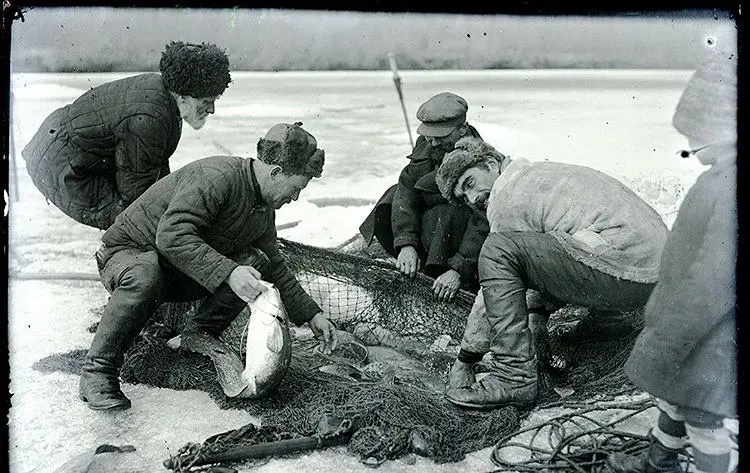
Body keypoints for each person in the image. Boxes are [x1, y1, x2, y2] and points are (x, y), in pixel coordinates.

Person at [79, 122, 339, 411]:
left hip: (173, 271)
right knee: (145, 274)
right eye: (297, 187)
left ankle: (198, 335)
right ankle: (97, 372)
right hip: (127, 255)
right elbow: (171, 235)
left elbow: (275, 266)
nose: (295, 197)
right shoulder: (216, 177)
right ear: (276, 172)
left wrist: (313, 315)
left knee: (257, 263)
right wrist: (228, 272)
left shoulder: (263, 208)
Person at [434, 137, 669, 408]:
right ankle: (608, 322)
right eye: (464, 198)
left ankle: (514, 378)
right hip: (655, 274)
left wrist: (468, 356)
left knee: (496, 250)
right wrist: (537, 321)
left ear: (490, 164)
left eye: (470, 183)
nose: (473, 198)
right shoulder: (532, 174)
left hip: (628, 273)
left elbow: (495, 287)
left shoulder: (505, 196)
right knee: (573, 233)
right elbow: (538, 261)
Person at [606, 54, 737, 473]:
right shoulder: (720, 176)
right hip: (697, 328)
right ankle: (659, 461)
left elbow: (713, 282)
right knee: (677, 393)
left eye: (698, 134)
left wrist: (673, 334)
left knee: (704, 416)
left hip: (711, 332)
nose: (691, 146)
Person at [21, 41, 232, 230]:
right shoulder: (149, 118)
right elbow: (138, 194)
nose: (212, 110)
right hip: (60, 163)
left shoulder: (165, 97)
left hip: (71, 149)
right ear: (186, 95)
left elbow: (155, 171)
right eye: (206, 102)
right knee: (133, 224)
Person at [359, 92, 489, 301]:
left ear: (462, 129)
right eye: (430, 135)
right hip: (431, 225)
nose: (434, 143)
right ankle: (412, 259)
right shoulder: (427, 143)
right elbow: (407, 188)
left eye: (442, 137)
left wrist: (458, 270)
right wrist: (406, 243)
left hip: (457, 233)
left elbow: (483, 222)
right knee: (393, 194)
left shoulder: (481, 161)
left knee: (449, 213)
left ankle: (442, 273)